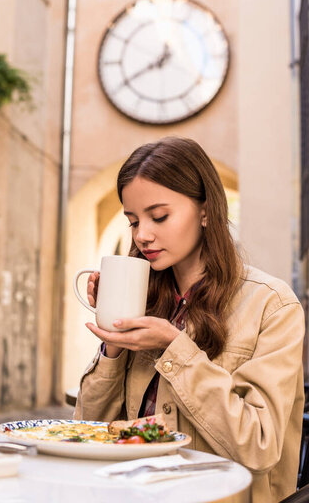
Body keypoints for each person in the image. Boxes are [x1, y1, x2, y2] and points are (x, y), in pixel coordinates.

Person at [74, 136, 305, 503]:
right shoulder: (144, 301)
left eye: (159, 216)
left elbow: (260, 446)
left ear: (206, 210)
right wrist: (113, 346)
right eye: (133, 221)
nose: (142, 235)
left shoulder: (272, 306)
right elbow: (87, 431)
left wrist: (174, 347)